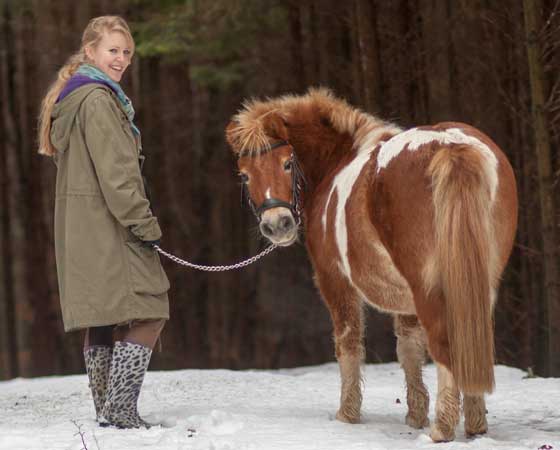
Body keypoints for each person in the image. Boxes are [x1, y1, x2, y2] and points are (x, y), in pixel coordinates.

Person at [37, 15, 169, 429]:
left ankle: (105, 411)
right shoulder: (97, 100)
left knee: (102, 315)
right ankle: (121, 410)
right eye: (113, 50)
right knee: (150, 307)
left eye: (127, 52)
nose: (121, 59)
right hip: (109, 223)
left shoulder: (76, 96)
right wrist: (144, 224)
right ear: (90, 51)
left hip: (83, 225)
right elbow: (117, 174)